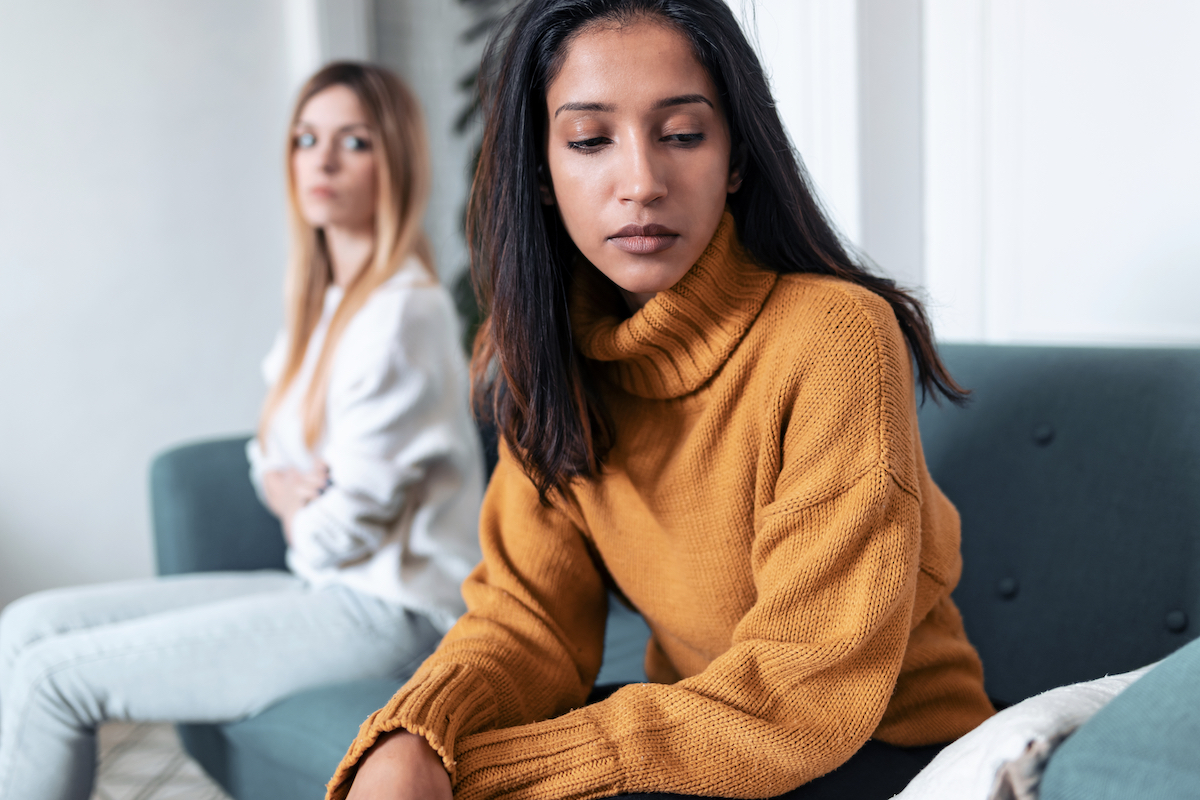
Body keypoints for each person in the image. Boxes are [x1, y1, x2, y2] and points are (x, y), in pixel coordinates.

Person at [328, 2, 997, 799]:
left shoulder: (834, 337)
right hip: (700, 733)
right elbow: (528, 619)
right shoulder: (545, 360)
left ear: (736, 159)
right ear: (540, 174)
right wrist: (416, 739)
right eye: (589, 140)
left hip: (881, 751)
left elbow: (806, 685)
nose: (641, 183)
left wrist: (476, 773)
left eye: (682, 134)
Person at [0, 62, 483, 800]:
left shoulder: (402, 314)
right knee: (27, 625)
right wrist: (291, 489)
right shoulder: (326, 305)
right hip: (328, 588)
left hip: (395, 615)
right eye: (305, 138)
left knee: (53, 680)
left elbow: (335, 533)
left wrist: (294, 503)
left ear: (396, 161)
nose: (320, 160)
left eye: (353, 141)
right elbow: (270, 454)